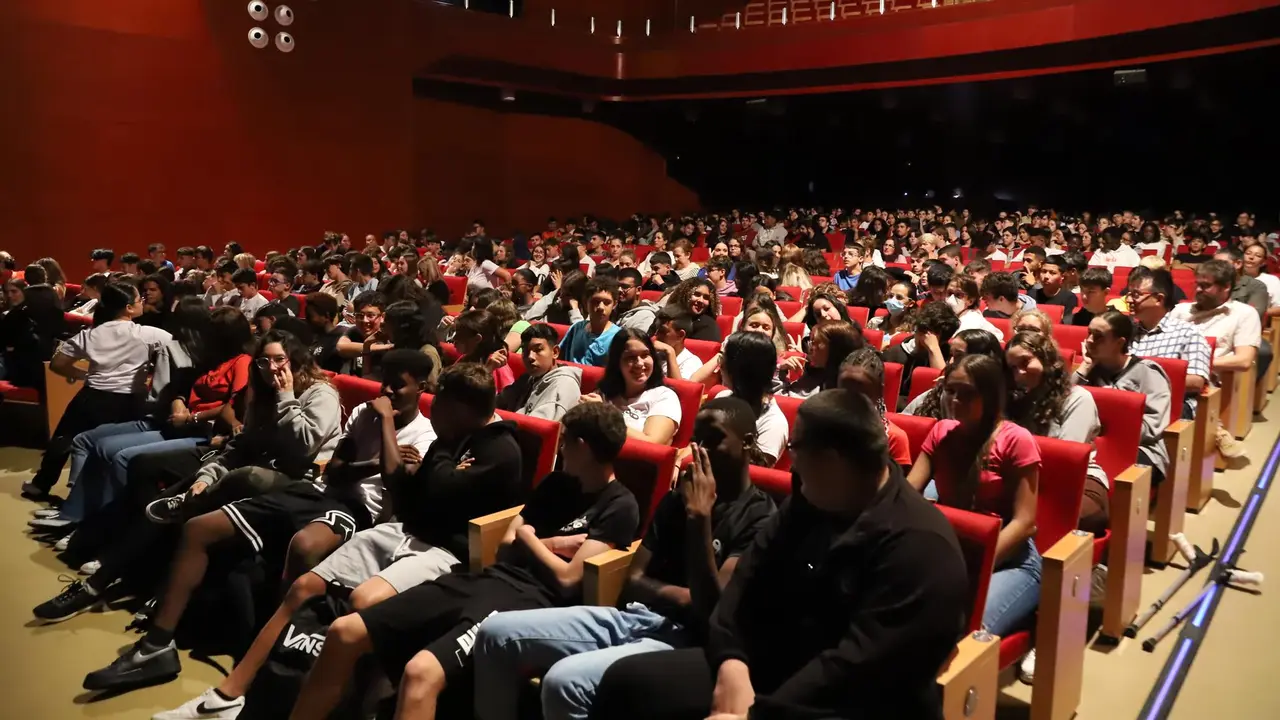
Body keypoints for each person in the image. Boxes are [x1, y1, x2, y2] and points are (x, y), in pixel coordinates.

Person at [588, 391, 969, 720]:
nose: (792, 460)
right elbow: (742, 587)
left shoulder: (921, 547)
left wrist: (754, 713)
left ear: (833, 461)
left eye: (796, 449)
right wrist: (732, 663)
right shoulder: (810, 499)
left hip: (849, 703)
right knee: (628, 684)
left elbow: (855, 669)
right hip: (768, 665)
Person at [286, 402, 640, 720]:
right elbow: (505, 544)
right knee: (345, 631)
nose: (561, 449)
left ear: (583, 447)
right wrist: (551, 542)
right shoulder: (555, 484)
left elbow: (566, 578)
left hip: (530, 604)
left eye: (566, 442)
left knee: (420, 672)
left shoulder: (619, 507)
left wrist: (529, 538)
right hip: (487, 578)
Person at [472, 397, 775, 720]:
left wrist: (699, 520)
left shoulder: (759, 517)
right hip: (633, 615)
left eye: (713, 440)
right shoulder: (677, 498)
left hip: (686, 639)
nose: (700, 451)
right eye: (696, 440)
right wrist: (681, 595)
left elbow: (712, 610)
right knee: (495, 635)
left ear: (747, 443)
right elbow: (633, 580)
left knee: (565, 682)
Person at [29, 305, 253, 532]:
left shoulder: (242, 362)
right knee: (99, 444)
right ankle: (76, 513)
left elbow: (233, 406)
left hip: (202, 431)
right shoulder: (211, 360)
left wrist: (190, 418)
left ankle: (96, 529)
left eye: (211, 333)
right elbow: (182, 390)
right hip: (178, 424)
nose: (205, 337)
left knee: (123, 457)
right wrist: (179, 402)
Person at [908, 354, 1041, 640]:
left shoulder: (1015, 439)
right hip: (953, 553)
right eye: (951, 391)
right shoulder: (942, 432)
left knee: (958, 631)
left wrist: (971, 565)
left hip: (1009, 561)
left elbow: (1025, 522)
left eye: (967, 393)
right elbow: (907, 495)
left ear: (991, 395)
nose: (955, 400)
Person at [22, 283, 173, 501]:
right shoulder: (150, 334)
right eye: (139, 299)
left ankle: (42, 484)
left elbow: (58, 363)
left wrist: (81, 375)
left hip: (94, 396)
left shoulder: (90, 334)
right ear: (128, 308)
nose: (143, 301)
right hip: (132, 401)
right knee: (122, 448)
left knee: (64, 440)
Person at [1076, 311, 1172, 486]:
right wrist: (1085, 366)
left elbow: (1153, 425)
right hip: (1091, 443)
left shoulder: (1147, 372)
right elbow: (1063, 403)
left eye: (1099, 337)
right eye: (1089, 333)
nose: (1090, 340)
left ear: (1119, 343)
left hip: (1142, 448)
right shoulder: (1090, 369)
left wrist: (1106, 434)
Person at [581, 329, 681, 446]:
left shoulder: (664, 396)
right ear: (617, 362)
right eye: (630, 357)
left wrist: (605, 416)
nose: (639, 363)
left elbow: (652, 443)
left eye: (645, 355)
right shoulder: (605, 392)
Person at [713, 332, 788, 466]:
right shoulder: (722, 397)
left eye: (724, 359)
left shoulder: (773, 424)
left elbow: (750, 475)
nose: (720, 365)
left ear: (741, 370)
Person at [902, 328, 1005, 419]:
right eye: (951, 355)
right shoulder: (938, 391)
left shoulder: (1002, 399)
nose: (951, 362)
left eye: (959, 356)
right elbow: (907, 422)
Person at [837, 348, 913, 467]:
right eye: (844, 389)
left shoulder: (894, 438)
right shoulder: (825, 427)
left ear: (879, 391)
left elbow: (896, 484)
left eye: (861, 392)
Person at [498, 323, 583, 422]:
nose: (530, 357)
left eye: (538, 350)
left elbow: (534, 430)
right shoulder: (528, 378)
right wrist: (489, 369)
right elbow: (497, 402)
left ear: (555, 352)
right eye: (525, 351)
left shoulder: (564, 387)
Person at [778, 319, 863, 399]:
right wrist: (780, 371)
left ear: (834, 348)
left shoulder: (854, 388)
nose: (810, 348)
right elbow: (783, 402)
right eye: (810, 342)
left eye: (814, 342)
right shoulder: (813, 375)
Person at [559, 277, 622, 367]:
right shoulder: (576, 328)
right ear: (586, 303)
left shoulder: (618, 337)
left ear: (614, 305)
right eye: (595, 302)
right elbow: (559, 356)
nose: (600, 307)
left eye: (606, 302)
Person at [946, 274, 1004, 341]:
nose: (951, 299)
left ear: (970, 301)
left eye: (958, 295)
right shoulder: (949, 316)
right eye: (949, 293)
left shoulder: (972, 321)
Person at [651, 307, 703, 380]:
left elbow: (678, 389)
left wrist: (670, 352)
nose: (656, 335)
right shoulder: (654, 355)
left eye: (662, 331)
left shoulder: (691, 362)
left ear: (680, 335)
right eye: (656, 330)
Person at [1033, 254, 1078, 323]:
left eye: (1052, 273)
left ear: (1062, 276)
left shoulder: (1069, 298)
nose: (1046, 276)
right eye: (1044, 271)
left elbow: (1066, 323)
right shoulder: (1032, 294)